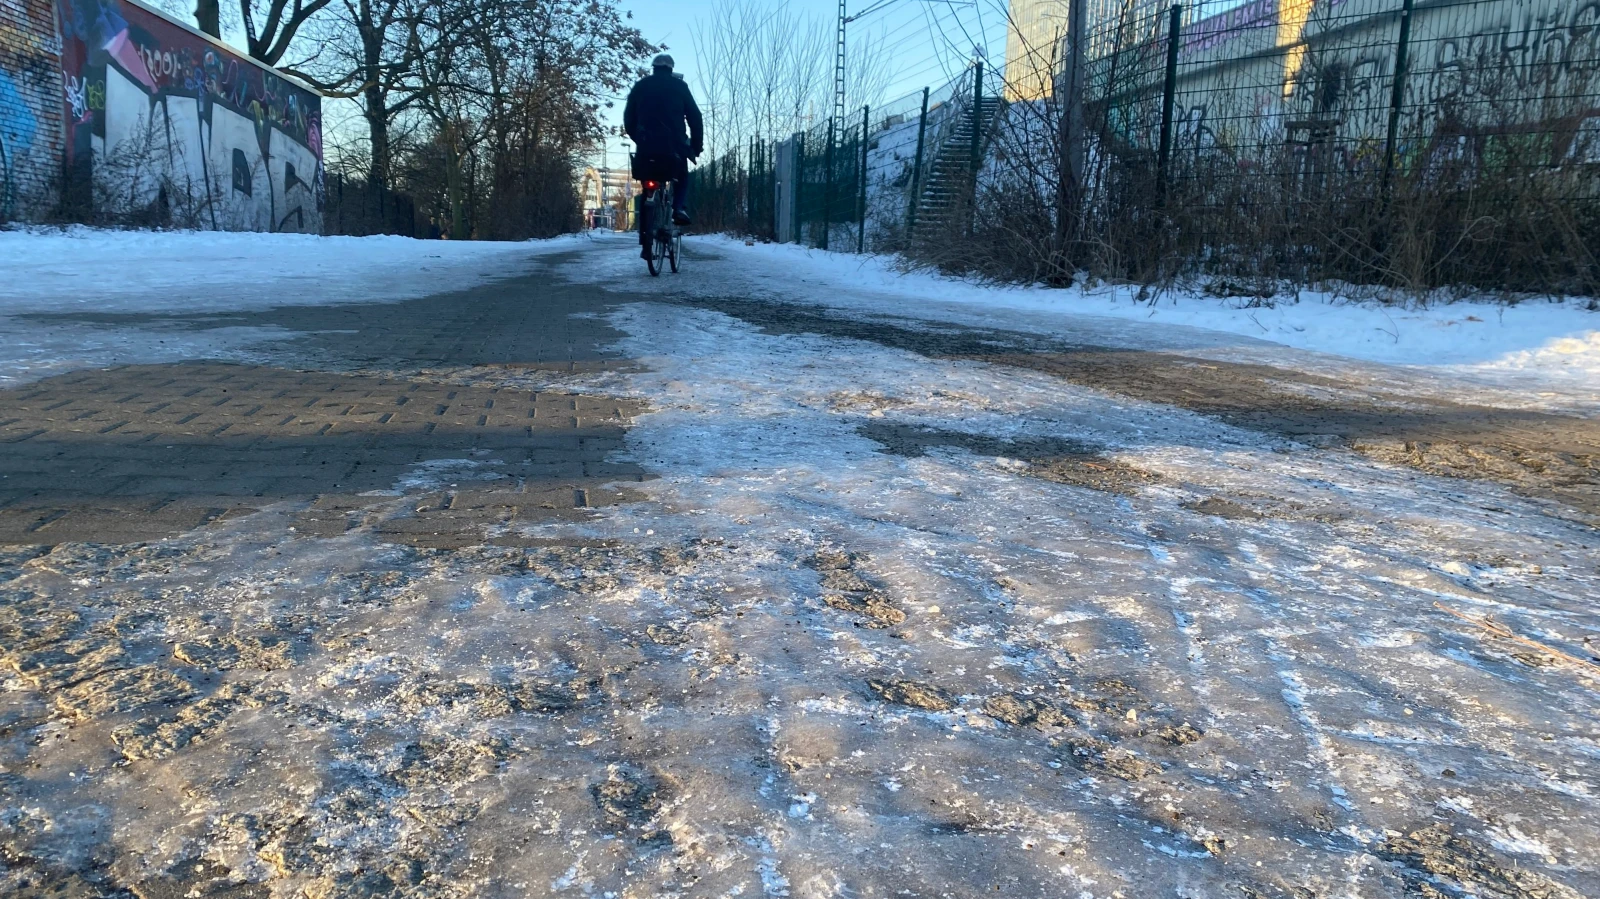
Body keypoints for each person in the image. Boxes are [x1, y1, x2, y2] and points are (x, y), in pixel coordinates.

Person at [623, 54, 703, 248]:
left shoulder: (640, 86)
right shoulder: (680, 87)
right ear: (671, 68)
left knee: (647, 188)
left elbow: (628, 118)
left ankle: (645, 242)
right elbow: (695, 117)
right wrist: (696, 147)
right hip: (673, 148)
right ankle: (678, 209)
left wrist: (639, 139)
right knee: (682, 176)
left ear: (654, 68)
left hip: (647, 148)